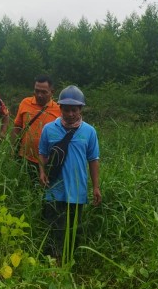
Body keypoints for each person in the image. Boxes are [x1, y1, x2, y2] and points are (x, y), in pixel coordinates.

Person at [38, 85, 101, 263]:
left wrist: (96, 187)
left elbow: (93, 159)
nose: (70, 114)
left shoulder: (89, 131)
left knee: (73, 229)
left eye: (74, 110)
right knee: (54, 228)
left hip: (77, 190)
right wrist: (42, 171)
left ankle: (68, 262)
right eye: (66, 109)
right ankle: (54, 263)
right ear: (60, 108)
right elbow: (42, 152)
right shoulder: (49, 129)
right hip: (54, 188)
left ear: (81, 109)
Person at [9, 75, 61, 181]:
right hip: (24, 158)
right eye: (36, 91)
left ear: (52, 92)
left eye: (44, 92)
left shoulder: (59, 109)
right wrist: (12, 148)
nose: (39, 95)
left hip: (47, 161)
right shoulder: (25, 103)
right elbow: (17, 127)